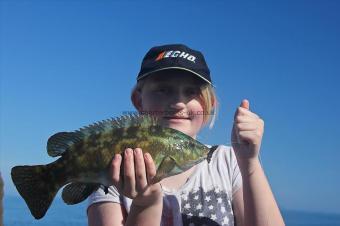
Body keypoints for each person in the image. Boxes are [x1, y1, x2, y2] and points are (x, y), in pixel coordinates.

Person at [87, 44, 285, 226]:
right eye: (163, 89)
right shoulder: (111, 169)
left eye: (191, 91)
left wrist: (249, 164)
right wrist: (145, 205)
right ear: (138, 101)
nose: (178, 103)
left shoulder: (229, 162)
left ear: (209, 104)